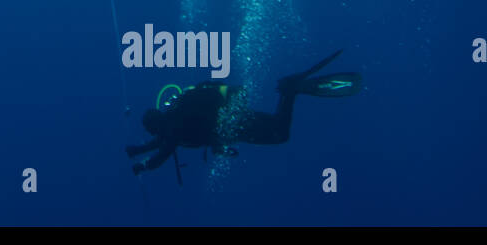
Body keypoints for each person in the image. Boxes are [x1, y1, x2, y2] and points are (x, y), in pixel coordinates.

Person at [125, 50, 362, 179]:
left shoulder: (173, 125)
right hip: (233, 119)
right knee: (277, 128)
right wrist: (138, 150)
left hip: (234, 124)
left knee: (280, 134)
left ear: (156, 124)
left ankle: (290, 91)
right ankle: (290, 91)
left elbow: (165, 151)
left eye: (152, 130)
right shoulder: (174, 120)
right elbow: (163, 142)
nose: (156, 134)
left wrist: (143, 165)